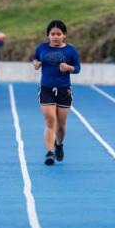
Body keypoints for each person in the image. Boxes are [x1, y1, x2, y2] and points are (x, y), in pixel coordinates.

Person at [32, 20, 81, 165]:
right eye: (52, 34)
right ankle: (49, 152)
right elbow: (35, 59)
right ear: (48, 35)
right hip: (46, 89)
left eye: (58, 34)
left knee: (61, 125)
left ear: (64, 35)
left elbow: (78, 68)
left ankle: (59, 144)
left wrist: (68, 68)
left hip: (64, 90)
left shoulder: (71, 51)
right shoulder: (42, 48)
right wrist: (35, 64)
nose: (55, 37)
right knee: (50, 121)